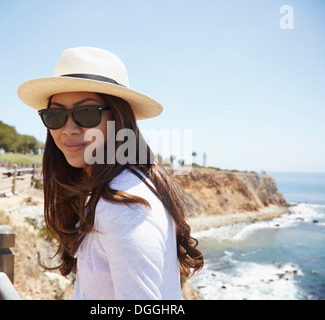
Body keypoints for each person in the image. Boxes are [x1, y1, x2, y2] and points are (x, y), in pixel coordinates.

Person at [18, 47, 203, 299]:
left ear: (119, 119)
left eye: (86, 113)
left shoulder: (123, 206)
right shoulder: (107, 187)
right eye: (55, 115)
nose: (68, 128)